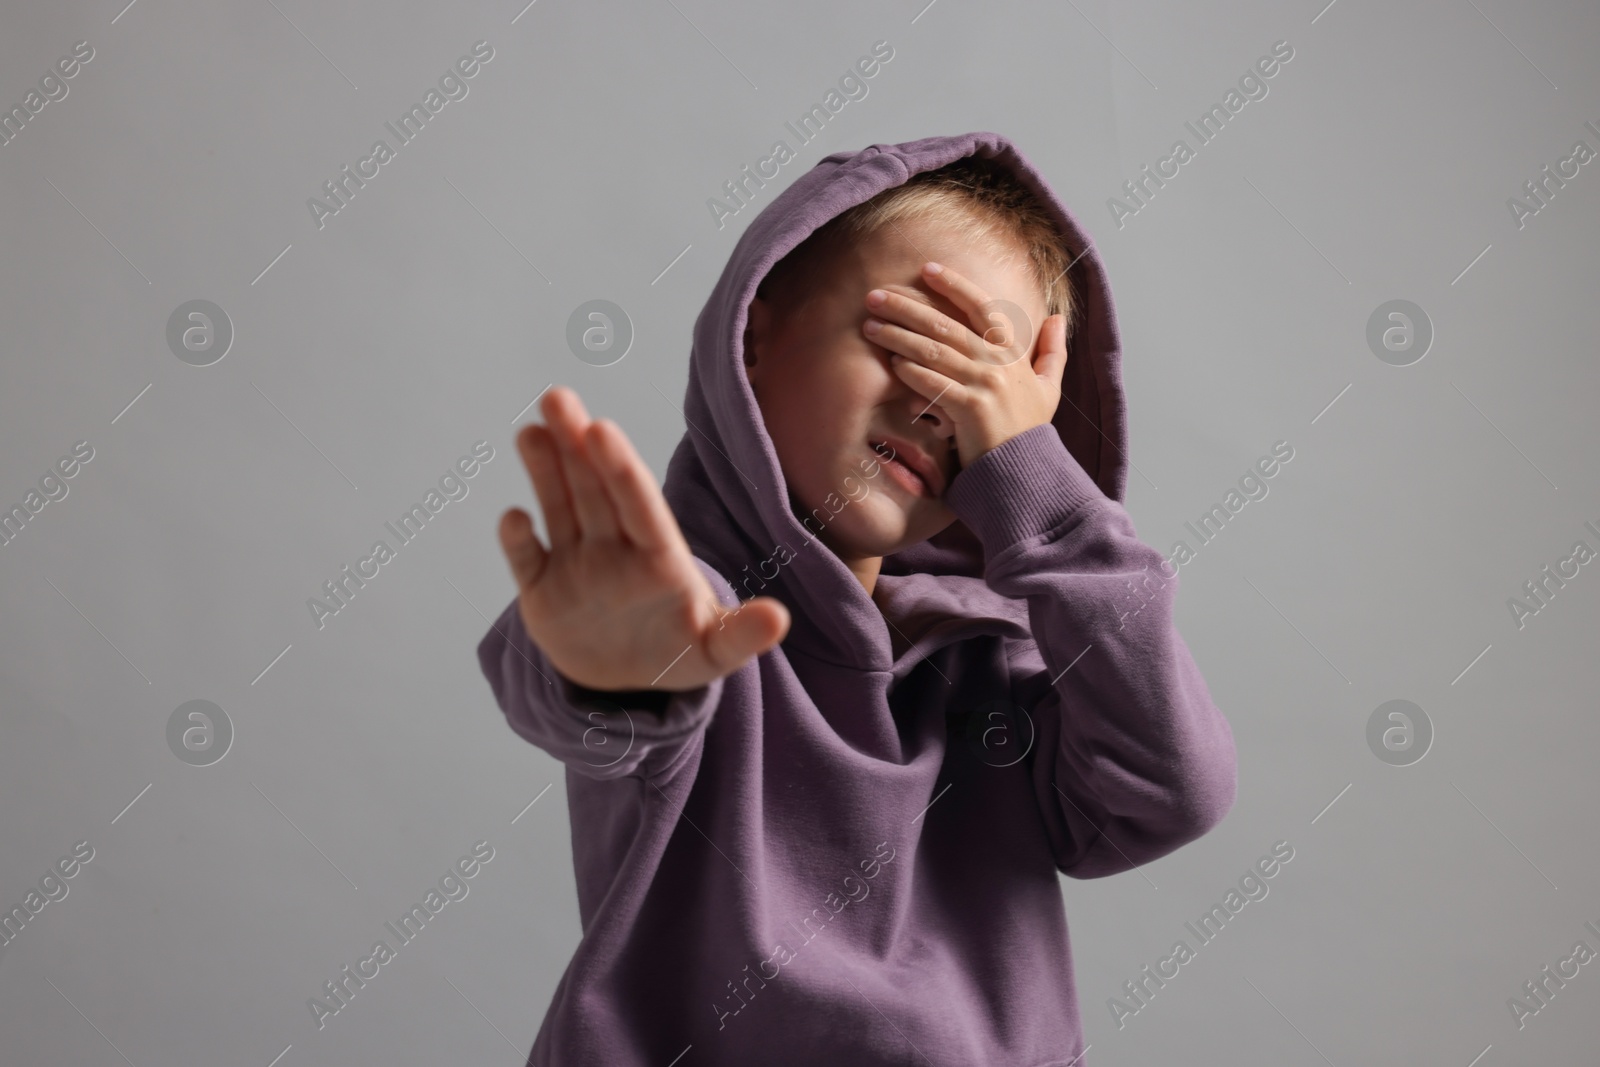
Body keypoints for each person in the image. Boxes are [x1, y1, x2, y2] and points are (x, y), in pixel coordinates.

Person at [477, 131, 1238, 1065]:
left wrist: (1040, 492)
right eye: (912, 338)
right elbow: (608, 695)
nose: (936, 402)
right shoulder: (702, 620)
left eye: (982, 385)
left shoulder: (989, 666)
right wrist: (607, 667)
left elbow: (1171, 791)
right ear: (757, 331)